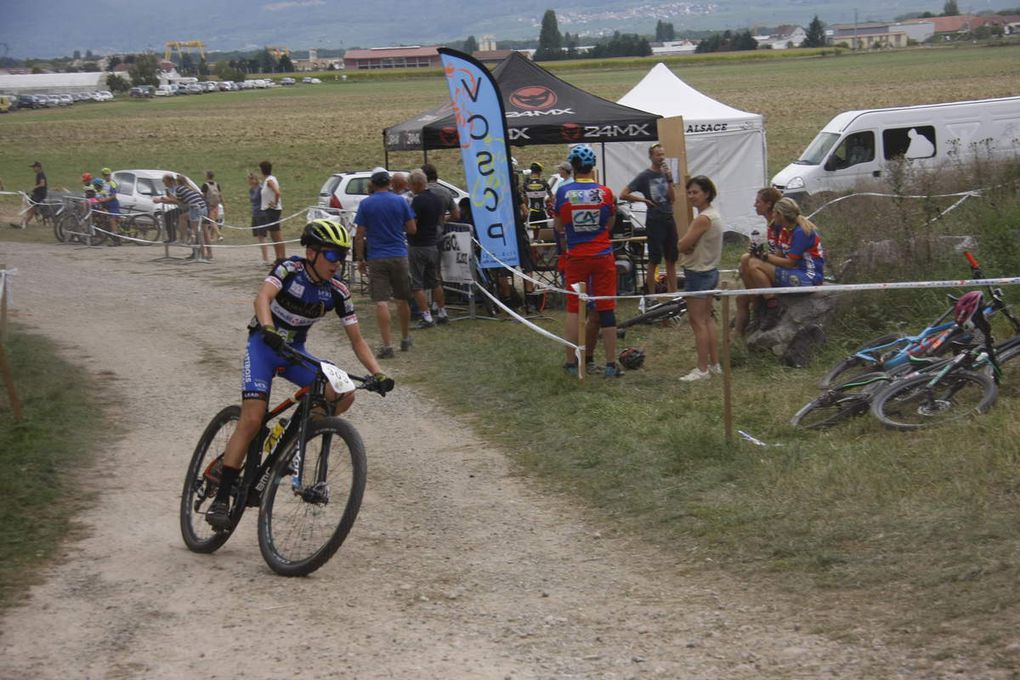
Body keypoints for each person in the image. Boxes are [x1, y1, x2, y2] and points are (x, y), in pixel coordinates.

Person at [205, 219, 392, 528]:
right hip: (264, 347)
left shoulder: (337, 291)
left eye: (341, 256)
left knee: (343, 392)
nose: (337, 263)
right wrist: (267, 328)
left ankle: (294, 439)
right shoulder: (289, 270)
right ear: (312, 252)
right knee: (252, 419)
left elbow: (357, 339)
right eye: (331, 255)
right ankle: (222, 497)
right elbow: (262, 298)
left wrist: (378, 372)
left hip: (296, 353)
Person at [553, 144, 622, 378]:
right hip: (602, 254)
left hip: (577, 254)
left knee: (574, 308)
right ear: (592, 167)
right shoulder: (606, 192)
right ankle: (612, 364)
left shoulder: (563, 192)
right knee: (606, 308)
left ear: (572, 167)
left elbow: (559, 225)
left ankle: (571, 362)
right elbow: (610, 224)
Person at [353, 170, 417, 358]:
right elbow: (412, 228)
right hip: (398, 253)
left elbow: (359, 235)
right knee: (402, 298)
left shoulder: (366, 204)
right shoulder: (400, 201)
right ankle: (405, 338)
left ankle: (387, 345)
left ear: (373, 184)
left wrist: (360, 259)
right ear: (389, 182)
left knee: (381, 302)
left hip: (377, 256)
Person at [741, 196, 826, 331]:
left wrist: (764, 257)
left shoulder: (801, 232)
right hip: (795, 271)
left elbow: (790, 263)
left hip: (808, 277)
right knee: (749, 260)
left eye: (774, 213)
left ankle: (772, 307)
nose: (772, 216)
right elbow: (778, 257)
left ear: (780, 215)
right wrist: (758, 254)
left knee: (755, 265)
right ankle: (759, 305)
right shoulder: (786, 230)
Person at [676, 175, 723, 382]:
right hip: (710, 270)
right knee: (707, 319)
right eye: (689, 192)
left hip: (698, 272)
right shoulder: (714, 215)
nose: (691, 196)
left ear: (707, 193)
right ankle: (714, 364)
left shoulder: (703, 218)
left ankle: (702, 369)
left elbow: (682, 245)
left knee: (698, 322)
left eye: (695, 192)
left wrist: (685, 245)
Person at [620, 144, 678, 296]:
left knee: (671, 258)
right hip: (654, 220)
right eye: (658, 155)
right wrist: (643, 200)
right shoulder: (644, 176)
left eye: (663, 154)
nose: (661, 157)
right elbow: (623, 194)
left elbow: (673, 199)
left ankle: (674, 294)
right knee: (654, 259)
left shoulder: (666, 174)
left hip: (669, 218)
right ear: (651, 156)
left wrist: (670, 180)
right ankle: (651, 295)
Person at [734, 187, 783, 336]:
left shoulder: (779, 224)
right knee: (745, 260)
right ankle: (756, 304)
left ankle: (762, 304)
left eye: (758, 202)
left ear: (769, 204)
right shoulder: (770, 224)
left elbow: (782, 255)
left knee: (749, 262)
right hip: (777, 263)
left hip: (787, 268)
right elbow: (774, 252)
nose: (755, 205)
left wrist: (762, 256)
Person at [408, 168, 449, 327]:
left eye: (411, 184)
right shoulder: (435, 199)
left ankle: (426, 316)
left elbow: (413, 226)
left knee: (417, 284)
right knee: (435, 282)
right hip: (433, 244)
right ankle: (442, 312)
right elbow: (440, 219)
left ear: (417, 184)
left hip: (418, 245)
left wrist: (405, 228)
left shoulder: (418, 201)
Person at [154, 174, 209, 259]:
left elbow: (178, 202)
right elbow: (179, 202)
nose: (164, 183)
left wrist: (162, 199)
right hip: (202, 208)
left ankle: (183, 239)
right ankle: (200, 253)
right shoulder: (187, 188)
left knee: (193, 229)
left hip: (196, 209)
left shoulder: (178, 189)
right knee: (194, 230)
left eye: (165, 181)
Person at [259, 160, 285, 263]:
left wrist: (275, 203)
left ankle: (282, 257)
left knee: (277, 235)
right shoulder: (269, 180)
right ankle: (278, 257)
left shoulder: (269, 181)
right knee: (274, 236)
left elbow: (277, 192)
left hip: (272, 211)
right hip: (269, 211)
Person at [247, 171, 271, 265]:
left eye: (252, 179)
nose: (251, 181)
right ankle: (263, 257)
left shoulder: (261, 188)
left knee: (262, 236)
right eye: (249, 179)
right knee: (258, 236)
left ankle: (266, 259)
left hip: (262, 214)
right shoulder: (251, 189)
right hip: (255, 214)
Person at [91, 176, 123, 245]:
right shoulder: (97, 191)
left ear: (99, 185)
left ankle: (116, 238)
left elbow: (114, 196)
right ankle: (107, 233)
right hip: (106, 206)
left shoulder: (108, 187)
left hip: (113, 205)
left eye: (96, 186)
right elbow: (97, 199)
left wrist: (104, 200)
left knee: (112, 220)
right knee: (103, 218)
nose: (95, 188)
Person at [523, 162, 552, 235]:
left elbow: (525, 199)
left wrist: (525, 210)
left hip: (532, 212)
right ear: (540, 172)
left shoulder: (526, 184)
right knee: (544, 232)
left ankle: (536, 243)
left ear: (531, 171)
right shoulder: (544, 183)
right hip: (542, 211)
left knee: (534, 233)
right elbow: (551, 197)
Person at [19, 161, 47, 229]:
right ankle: (35, 216)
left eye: (34, 167)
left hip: (40, 194)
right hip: (37, 194)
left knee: (31, 208)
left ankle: (24, 223)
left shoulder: (41, 174)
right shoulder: (38, 174)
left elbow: (42, 184)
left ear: (38, 167)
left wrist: (34, 187)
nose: (33, 169)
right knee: (31, 208)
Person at [201, 170, 225, 242]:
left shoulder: (205, 185)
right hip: (216, 204)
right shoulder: (216, 184)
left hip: (209, 205)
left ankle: (219, 234)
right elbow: (220, 194)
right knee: (214, 220)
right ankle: (212, 237)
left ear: (207, 176)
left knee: (212, 221)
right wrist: (224, 203)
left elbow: (203, 195)